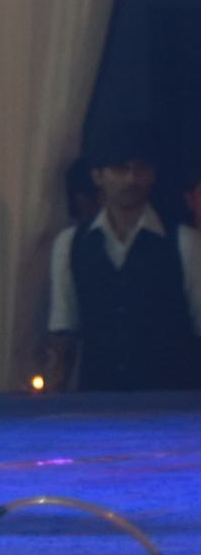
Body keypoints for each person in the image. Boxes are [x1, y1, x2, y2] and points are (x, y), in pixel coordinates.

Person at [44, 124, 201, 393]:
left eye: (140, 168)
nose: (131, 179)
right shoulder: (70, 244)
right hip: (98, 398)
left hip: (170, 399)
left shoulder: (184, 242)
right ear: (98, 176)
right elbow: (64, 330)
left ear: (152, 175)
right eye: (120, 169)